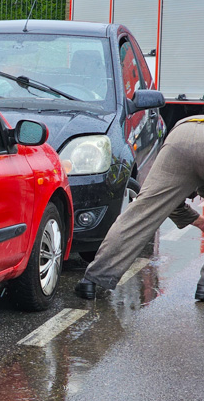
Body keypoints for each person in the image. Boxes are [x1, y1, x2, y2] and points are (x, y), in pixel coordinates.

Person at [76, 116, 204, 300]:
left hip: (183, 133)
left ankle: (92, 280)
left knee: (141, 213)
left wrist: (196, 220)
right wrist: (197, 220)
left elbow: (167, 201)